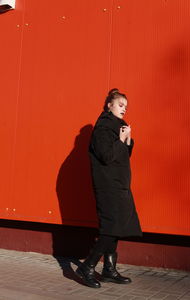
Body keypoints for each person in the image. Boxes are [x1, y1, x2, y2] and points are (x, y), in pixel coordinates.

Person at [76, 88, 142, 288]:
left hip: (119, 184)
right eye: (120, 105)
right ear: (109, 106)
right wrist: (121, 141)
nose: (124, 109)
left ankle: (109, 269)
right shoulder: (103, 127)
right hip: (108, 186)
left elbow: (120, 156)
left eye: (126, 107)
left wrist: (127, 140)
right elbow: (106, 156)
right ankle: (87, 266)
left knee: (118, 225)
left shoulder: (118, 126)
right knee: (111, 226)